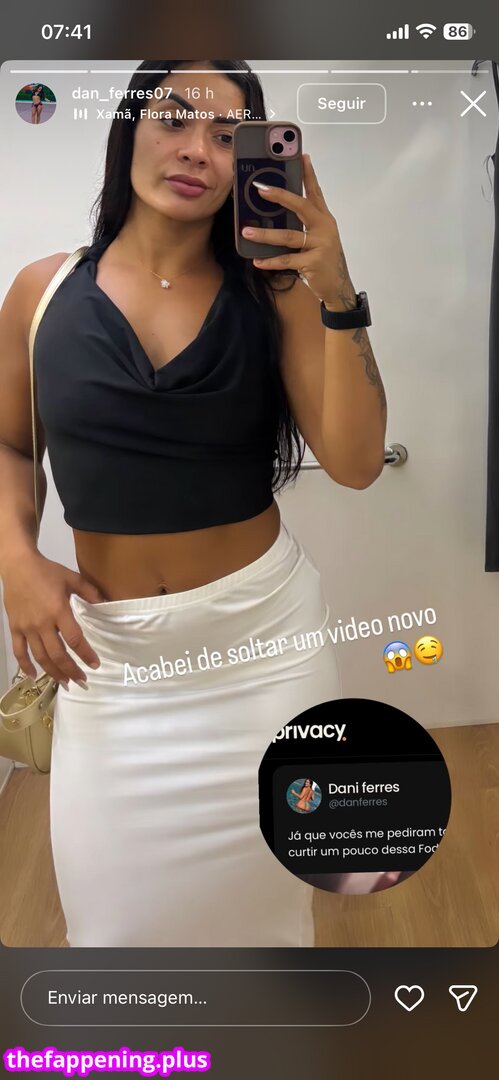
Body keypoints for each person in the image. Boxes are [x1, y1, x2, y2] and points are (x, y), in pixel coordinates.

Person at [0, 60, 387, 947]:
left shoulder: (276, 293)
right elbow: (10, 443)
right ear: (128, 128)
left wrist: (336, 291)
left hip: (264, 654)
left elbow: (358, 463)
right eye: (174, 119)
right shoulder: (41, 293)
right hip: (111, 666)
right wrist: (16, 559)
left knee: (270, 928)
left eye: (226, 136)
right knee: (112, 937)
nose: (197, 151)